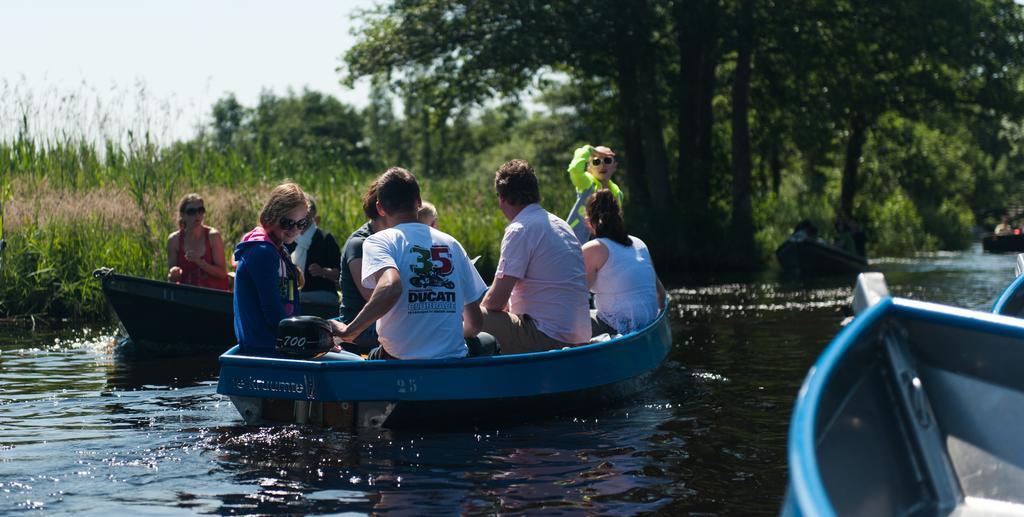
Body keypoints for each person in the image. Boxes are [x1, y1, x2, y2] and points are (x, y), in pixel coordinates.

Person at [330, 168, 491, 360]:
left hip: (399, 362)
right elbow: (475, 325)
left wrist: (349, 331)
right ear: (419, 201)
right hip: (453, 361)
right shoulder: (452, 243)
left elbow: (390, 286)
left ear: (380, 208)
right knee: (486, 341)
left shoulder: (378, 241)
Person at [233, 182, 357, 359]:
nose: (294, 230)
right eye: (287, 223)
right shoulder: (263, 252)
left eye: (301, 223)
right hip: (269, 349)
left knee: (349, 356)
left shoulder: (278, 249)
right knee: (354, 360)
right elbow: (274, 314)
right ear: (272, 216)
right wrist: (315, 340)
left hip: (281, 345)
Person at [481, 159, 591, 354]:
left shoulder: (519, 228)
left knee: (471, 316)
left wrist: (480, 309)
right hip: (579, 336)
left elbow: (496, 300)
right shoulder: (560, 224)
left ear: (502, 198)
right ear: (535, 193)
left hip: (547, 336)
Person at [582, 189, 667, 336]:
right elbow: (661, 294)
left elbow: (576, 296)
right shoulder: (639, 243)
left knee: (563, 321)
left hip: (618, 328)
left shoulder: (593, 249)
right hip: (649, 324)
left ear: (589, 222)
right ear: (618, 215)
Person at [337, 181, 386, 352]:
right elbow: (373, 297)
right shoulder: (359, 244)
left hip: (381, 323)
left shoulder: (390, 241)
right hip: (360, 328)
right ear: (382, 210)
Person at [166, 193, 230, 290]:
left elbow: (222, 273)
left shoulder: (213, 236)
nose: (197, 215)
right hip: (187, 294)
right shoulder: (174, 240)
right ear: (182, 215)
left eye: (201, 210)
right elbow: (172, 278)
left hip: (213, 294)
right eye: (192, 211)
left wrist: (199, 262)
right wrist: (173, 274)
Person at [566, 144, 623, 243]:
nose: (602, 165)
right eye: (596, 161)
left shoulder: (617, 193)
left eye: (607, 160)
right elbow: (575, 169)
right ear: (589, 168)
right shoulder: (586, 183)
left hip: (606, 242)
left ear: (615, 166)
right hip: (577, 241)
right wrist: (589, 149)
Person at [291, 194, 341, 306]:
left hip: (323, 293)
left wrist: (322, 271)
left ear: (313, 215)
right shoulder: (289, 237)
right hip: (295, 293)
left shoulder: (325, 238)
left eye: (307, 214)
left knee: (293, 298)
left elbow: (339, 274)